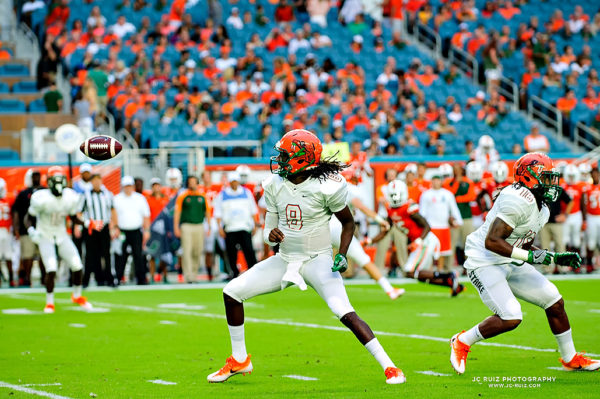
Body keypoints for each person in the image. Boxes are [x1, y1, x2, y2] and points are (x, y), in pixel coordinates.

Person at [207, 130, 405, 384]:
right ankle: (240, 359)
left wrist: (342, 254)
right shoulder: (274, 185)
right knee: (232, 292)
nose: (279, 160)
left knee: (344, 311)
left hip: (318, 259)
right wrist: (272, 235)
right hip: (286, 259)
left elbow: (348, 223)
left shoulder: (326, 186)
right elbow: (268, 230)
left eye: (285, 155)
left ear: (301, 158)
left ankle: (390, 367)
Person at [450, 153, 599, 373]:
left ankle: (570, 358)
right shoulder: (517, 199)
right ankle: (462, 341)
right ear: (528, 177)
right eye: (546, 177)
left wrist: (553, 257)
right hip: (484, 261)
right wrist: (531, 258)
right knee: (511, 316)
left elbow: (523, 244)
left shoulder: (543, 208)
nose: (551, 183)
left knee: (554, 301)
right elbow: (492, 241)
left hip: (509, 259)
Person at [373, 180, 464, 295]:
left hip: (425, 241)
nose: (395, 198)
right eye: (392, 195)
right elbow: (386, 230)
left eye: (397, 195)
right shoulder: (390, 209)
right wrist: (370, 240)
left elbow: (427, 226)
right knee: (418, 275)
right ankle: (452, 283)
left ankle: (449, 275)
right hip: (420, 242)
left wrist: (419, 241)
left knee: (409, 272)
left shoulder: (409, 207)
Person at [25, 167, 92, 313]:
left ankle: (77, 296)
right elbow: (28, 217)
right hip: (45, 235)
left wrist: (86, 223)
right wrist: (32, 231)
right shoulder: (41, 197)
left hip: (61, 234)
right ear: (49, 182)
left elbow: (73, 217)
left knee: (77, 265)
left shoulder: (70, 196)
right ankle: (50, 303)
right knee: (51, 268)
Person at [331, 167, 404, 299]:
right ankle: (389, 289)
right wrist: (380, 220)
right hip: (337, 228)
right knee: (362, 258)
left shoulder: (331, 187)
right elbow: (362, 208)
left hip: (322, 226)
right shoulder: (350, 189)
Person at [214, 172, 258, 279]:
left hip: (244, 227)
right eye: (232, 181)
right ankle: (234, 273)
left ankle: (253, 272)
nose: (234, 183)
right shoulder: (222, 195)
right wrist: (220, 228)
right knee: (231, 253)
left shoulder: (246, 193)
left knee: (249, 250)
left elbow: (253, 210)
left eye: (235, 181)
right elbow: (218, 213)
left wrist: (255, 225)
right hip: (230, 228)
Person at [419, 171, 463, 271]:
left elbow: (454, 209)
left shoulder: (447, 194)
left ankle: (440, 269)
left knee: (443, 251)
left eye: (438, 180)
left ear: (441, 181)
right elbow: (422, 211)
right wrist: (422, 225)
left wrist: (459, 221)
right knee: (430, 250)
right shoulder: (426, 194)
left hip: (444, 226)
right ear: (431, 182)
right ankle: (429, 269)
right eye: (434, 180)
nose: (436, 182)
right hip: (431, 227)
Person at [80, 174, 117, 287]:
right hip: (91, 227)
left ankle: (109, 279)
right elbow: (79, 212)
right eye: (94, 181)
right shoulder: (85, 195)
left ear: (101, 181)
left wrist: (114, 226)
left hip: (104, 227)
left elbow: (113, 211)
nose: (96, 183)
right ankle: (87, 280)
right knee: (90, 254)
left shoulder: (107, 194)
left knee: (106, 254)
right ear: (91, 182)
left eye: (98, 181)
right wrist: (85, 224)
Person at [113, 176, 151, 285]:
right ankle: (118, 277)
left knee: (138, 255)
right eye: (126, 186)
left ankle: (141, 278)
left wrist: (147, 230)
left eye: (129, 186)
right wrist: (115, 228)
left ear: (133, 186)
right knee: (121, 255)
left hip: (136, 231)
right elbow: (113, 215)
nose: (128, 188)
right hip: (122, 231)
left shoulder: (140, 198)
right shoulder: (117, 198)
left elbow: (146, 215)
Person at [173, 175, 210, 283]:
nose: (192, 184)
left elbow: (207, 211)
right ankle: (188, 276)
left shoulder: (202, 196)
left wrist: (209, 226)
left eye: (194, 182)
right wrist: (176, 227)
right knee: (187, 250)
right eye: (190, 182)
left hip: (199, 225)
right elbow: (177, 212)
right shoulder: (183, 196)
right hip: (187, 226)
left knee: (197, 251)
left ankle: (194, 274)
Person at [11, 169, 45, 286]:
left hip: (43, 230)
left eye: (38, 176)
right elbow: (16, 212)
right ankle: (27, 278)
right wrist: (16, 229)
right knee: (27, 255)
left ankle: (44, 279)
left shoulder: (46, 192)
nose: (36, 178)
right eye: (34, 176)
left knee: (43, 255)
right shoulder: (23, 194)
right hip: (27, 229)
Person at [444, 163, 476, 266]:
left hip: (466, 216)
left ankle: (470, 266)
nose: (456, 171)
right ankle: (448, 267)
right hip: (453, 218)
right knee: (451, 244)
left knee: (468, 243)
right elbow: (448, 195)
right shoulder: (449, 182)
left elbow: (471, 196)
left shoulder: (468, 182)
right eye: (455, 169)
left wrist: (458, 199)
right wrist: (457, 183)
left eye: (458, 169)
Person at [144, 178, 170, 283]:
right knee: (152, 254)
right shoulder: (148, 199)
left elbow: (168, 216)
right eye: (154, 185)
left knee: (164, 254)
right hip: (153, 230)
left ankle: (164, 275)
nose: (156, 187)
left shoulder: (166, 199)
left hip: (163, 230)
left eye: (158, 185)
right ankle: (152, 276)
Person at [561, 165, 584, 255]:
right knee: (565, 239)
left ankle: (576, 261)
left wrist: (584, 219)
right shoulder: (562, 186)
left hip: (576, 215)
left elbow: (582, 204)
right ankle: (567, 260)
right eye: (569, 176)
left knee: (576, 240)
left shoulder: (579, 186)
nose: (571, 178)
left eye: (573, 176)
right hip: (565, 215)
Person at [0, 178, 15, 286]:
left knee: (9, 256)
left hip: (7, 230)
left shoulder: (9, 199)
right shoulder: (8, 199)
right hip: (3, 230)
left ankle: (11, 279)